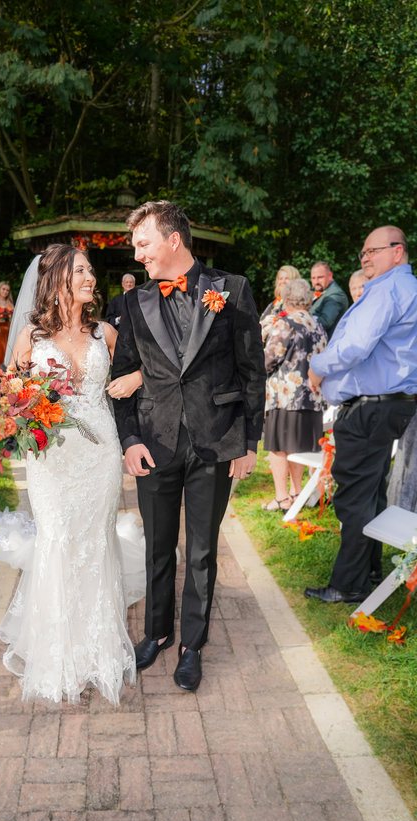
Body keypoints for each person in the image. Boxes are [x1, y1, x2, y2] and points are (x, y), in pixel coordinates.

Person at [112, 200, 266, 692]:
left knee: (201, 551)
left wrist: (250, 440)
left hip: (215, 441)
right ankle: (157, 633)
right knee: (158, 547)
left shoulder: (232, 290)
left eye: (144, 243)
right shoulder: (135, 303)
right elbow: (124, 377)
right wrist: (130, 439)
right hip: (155, 443)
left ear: (173, 239)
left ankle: (192, 645)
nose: (138, 255)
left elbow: (252, 371)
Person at [0, 244, 144, 705]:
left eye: (89, 270)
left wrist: (135, 379)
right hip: (52, 460)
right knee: (59, 540)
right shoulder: (30, 339)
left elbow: (147, 370)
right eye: (80, 270)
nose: (90, 277)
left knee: (94, 541)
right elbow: (8, 398)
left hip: (100, 453)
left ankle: (98, 651)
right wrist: (22, 418)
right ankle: (59, 656)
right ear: (57, 278)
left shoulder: (106, 332)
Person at [305, 226, 417, 604]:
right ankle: (368, 571)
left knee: (354, 496)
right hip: (389, 405)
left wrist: (318, 366)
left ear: (397, 252)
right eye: (363, 252)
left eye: (373, 251)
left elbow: (354, 347)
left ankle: (349, 584)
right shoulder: (405, 288)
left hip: (373, 408)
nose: (365, 257)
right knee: (371, 494)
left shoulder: (389, 290)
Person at [261, 278, 327, 511]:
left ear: (286, 299)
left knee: (278, 448)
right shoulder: (318, 325)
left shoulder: (285, 324)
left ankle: (281, 498)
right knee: (299, 448)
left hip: (285, 397)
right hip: (313, 398)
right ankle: (296, 491)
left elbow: (267, 360)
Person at [260, 265, 301, 342]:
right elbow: (255, 328)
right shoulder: (274, 304)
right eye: (280, 279)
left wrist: (268, 329)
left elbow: (293, 325)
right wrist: (263, 323)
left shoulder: (299, 302)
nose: (282, 281)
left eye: (287, 278)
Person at [309, 261, 348, 339]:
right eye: (313, 278)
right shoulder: (321, 291)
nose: (316, 282)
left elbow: (325, 322)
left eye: (320, 277)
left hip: (327, 346)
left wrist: (300, 321)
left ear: (330, 276)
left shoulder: (335, 294)